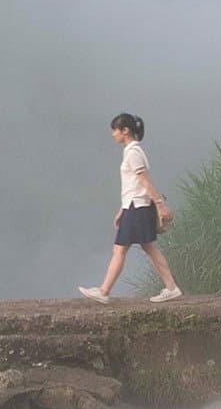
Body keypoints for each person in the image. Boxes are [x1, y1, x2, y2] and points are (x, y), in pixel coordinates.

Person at [78, 113, 182, 304]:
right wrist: (122, 210)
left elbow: (144, 181)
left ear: (125, 131)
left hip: (137, 208)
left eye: (115, 130)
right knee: (149, 248)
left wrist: (160, 205)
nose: (112, 135)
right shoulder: (132, 151)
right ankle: (171, 287)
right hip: (133, 207)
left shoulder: (133, 153)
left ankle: (104, 291)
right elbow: (133, 184)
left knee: (119, 250)